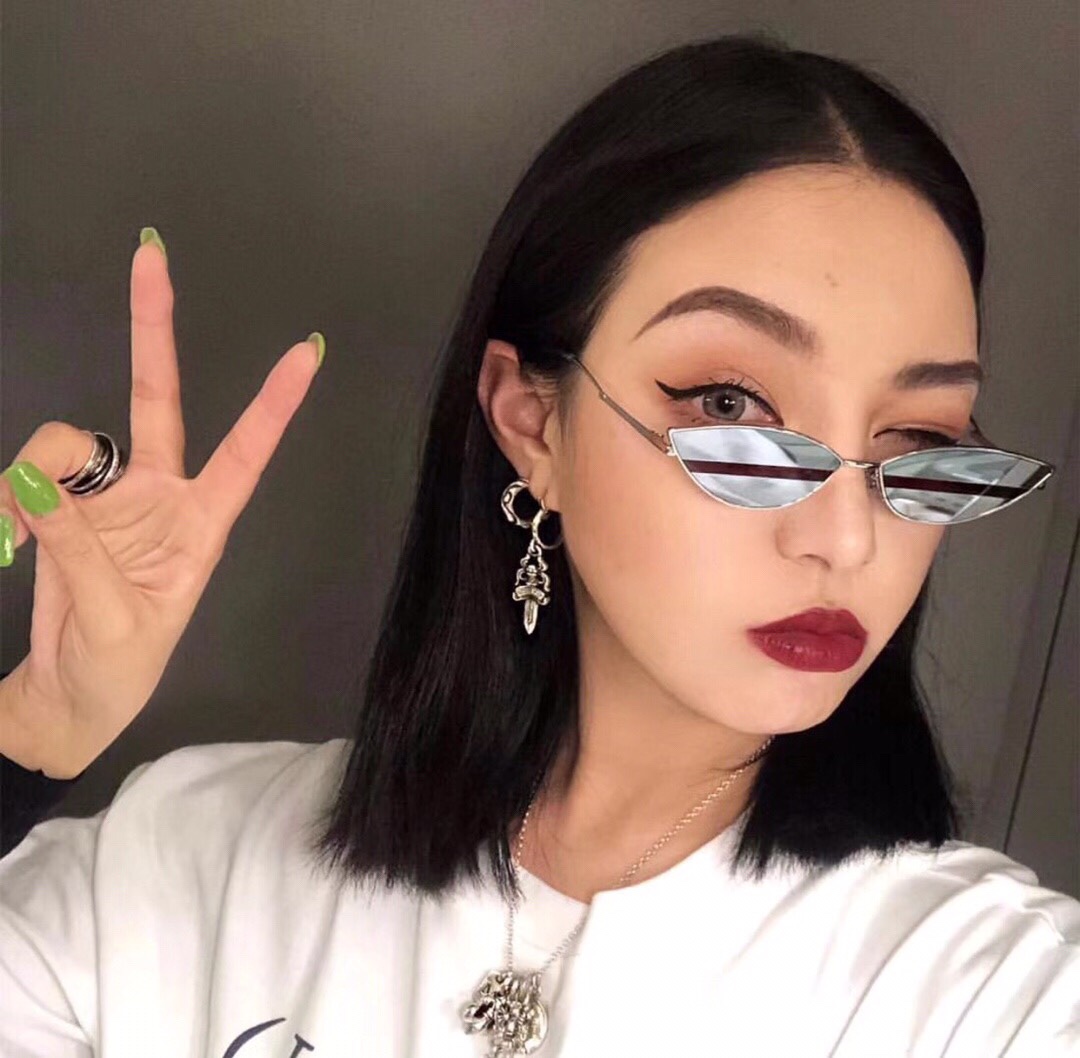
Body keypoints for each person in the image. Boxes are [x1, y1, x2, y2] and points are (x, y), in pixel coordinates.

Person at [0, 30, 1076, 1058]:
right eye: (731, 404)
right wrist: (28, 738)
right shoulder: (191, 861)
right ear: (532, 420)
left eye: (918, 438)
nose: (846, 536)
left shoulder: (987, 991)